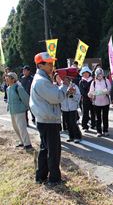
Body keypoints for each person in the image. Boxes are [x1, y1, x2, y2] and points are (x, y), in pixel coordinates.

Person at [30, 52, 72, 186]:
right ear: (40, 65)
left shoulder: (42, 79)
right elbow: (57, 97)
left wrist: (63, 90)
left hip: (45, 119)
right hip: (48, 121)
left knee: (45, 149)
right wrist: (65, 85)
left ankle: (41, 176)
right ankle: (54, 179)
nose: (51, 65)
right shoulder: (42, 81)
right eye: (49, 63)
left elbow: (54, 95)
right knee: (53, 151)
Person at [6, 72, 33, 151]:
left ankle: (27, 144)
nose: (6, 79)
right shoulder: (8, 89)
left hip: (20, 111)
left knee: (22, 128)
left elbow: (26, 99)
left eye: (8, 77)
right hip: (12, 111)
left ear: (13, 79)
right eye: (6, 77)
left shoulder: (18, 88)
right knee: (16, 128)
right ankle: (22, 142)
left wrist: (27, 108)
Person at [88, 68, 111, 137]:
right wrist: (91, 94)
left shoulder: (106, 81)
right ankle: (99, 131)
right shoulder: (93, 82)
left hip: (105, 102)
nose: (99, 76)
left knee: (105, 117)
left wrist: (106, 91)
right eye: (98, 75)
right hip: (96, 103)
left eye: (101, 75)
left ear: (103, 75)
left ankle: (105, 130)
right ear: (96, 75)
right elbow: (90, 92)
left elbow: (110, 90)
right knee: (98, 118)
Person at [60, 75, 82, 143]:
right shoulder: (60, 88)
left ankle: (77, 136)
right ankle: (71, 136)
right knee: (67, 123)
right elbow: (59, 97)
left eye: (67, 80)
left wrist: (73, 94)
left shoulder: (74, 86)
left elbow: (78, 96)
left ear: (70, 80)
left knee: (73, 122)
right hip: (64, 108)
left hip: (72, 107)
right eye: (64, 80)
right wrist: (65, 94)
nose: (65, 81)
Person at [79, 66, 96, 131]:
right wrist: (88, 95)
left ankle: (93, 124)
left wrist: (93, 95)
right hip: (85, 99)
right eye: (84, 73)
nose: (85, 74)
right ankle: (85, 126)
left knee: (93, 113)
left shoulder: (93, 80)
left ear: (89, 73)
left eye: (86, 73)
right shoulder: (81, 81)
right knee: (85, 113)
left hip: (93, 99)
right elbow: (82, 91)